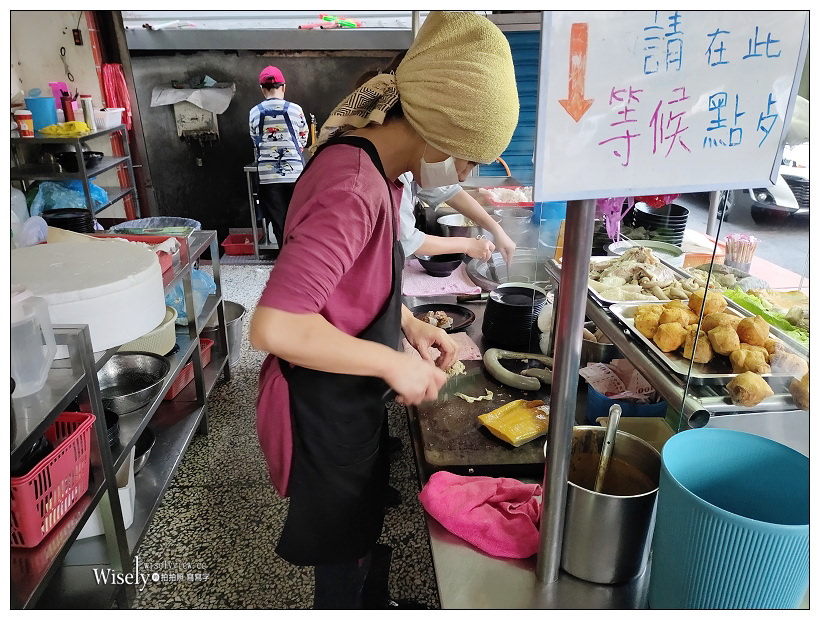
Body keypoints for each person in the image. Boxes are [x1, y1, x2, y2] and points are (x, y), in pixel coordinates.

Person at [249, 11, 519, 610]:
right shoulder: (351, 186)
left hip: (347, 391)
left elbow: (350, 282)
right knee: (341, 543)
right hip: (322, 403)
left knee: (362, 523)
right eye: (471, 159)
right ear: (442, 134)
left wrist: (410, 324)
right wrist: (393, 365)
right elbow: (273, 325)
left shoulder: (380, 171)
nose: (465, 175)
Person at [249, 65, 309, 254]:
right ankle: (302, 258)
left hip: (268, 178)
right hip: (295, 176)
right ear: (284, 87)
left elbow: (255, 140)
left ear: (262, 89)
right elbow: (303, 137)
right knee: (299, 220)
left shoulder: (254, 112)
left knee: (279, 223)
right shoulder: (295, 109)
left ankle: (285, 261)